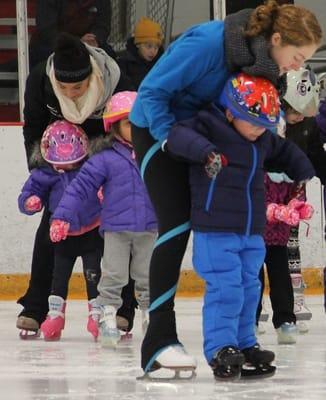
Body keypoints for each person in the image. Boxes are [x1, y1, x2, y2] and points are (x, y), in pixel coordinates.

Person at [130, 0, 322, 376]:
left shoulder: (264, 64)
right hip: (160, 129)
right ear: (277, 38)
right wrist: (169, 140)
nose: (299, 66)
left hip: (206, 137)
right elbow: (152, 92)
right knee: (176, 223)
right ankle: (159, 341)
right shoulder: (209, 43)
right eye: (298, 56)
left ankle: (241, 339)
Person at [166, 72, 315, 380]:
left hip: (251, 230)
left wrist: (302, 168)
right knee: (227, 289)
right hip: (216, 228)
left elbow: (284, 150)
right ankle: (221, 347)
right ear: (231, 111)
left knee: (250, 288)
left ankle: (245, 345)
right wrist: (206, 152)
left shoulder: (259, 137)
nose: (260, 130)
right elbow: (179, 136)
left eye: (265, 125)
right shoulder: (210, 125)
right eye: (254, 122)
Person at [16, 32, 137, 339]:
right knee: (51, 230)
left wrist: (120, 173)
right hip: (61, 161)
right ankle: (35, 305)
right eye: (64, 88)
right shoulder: (40, 82)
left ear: (92, 77)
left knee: (119, 232)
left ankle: (122, 307)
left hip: (105, 154)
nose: (69, 94)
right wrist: (42, 175)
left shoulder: (115, 81)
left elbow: (129, 125)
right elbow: (32, 127)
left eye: (78, 88)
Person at [49, 91, 157, 347]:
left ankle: (152, 317)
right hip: (116, 230)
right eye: (130, 123)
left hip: (149, 227)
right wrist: (62, 216)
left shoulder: (154, 155)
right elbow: (79, 187)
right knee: (113, 275)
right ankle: (108, 315)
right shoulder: (105, 159)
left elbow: (174, 185)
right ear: (115, 126)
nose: (138, 127)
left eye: (141, 121)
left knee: (148, 275)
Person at [256, 67, 325, 342]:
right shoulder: (267, 123)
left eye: (300, 113)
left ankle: (287, 314)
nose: (296, 117)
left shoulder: (307, 126)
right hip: (260, 201)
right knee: (252, 265)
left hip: (290, 202)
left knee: (282, 259)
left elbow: (315, 158)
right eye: (292, 112)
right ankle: (251, 314)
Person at [18, 120, 102, 341]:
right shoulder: (44, 173)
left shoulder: (91, 168)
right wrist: (30, 201)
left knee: (94, 276)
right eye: (60, 165)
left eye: (73, 164)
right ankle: (55, 315)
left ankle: (97, 315)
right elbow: (30, 191)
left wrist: (105, 195)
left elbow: (108, 182)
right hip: (61, 235)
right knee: (59, 277)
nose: (65, 169)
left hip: (92, 232)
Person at [29, 0, 115, 68]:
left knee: (109, 56)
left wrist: (95, 38)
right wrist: (76, 42)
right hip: (53, 45)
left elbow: (103, 25)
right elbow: (46, 30)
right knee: (41, 56)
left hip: (88, 45)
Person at [117, 17, 164, 90]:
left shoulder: (160, 63)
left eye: (156, 47)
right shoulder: (125, 64)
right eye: (149, 46)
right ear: (138, 44)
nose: (153, 51)